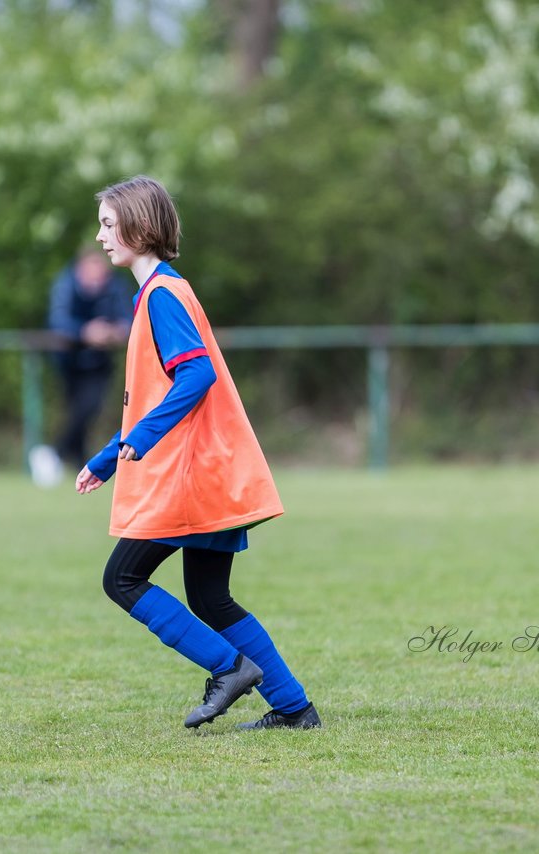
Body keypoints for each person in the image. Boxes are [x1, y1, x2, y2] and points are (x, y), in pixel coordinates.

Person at [75, 176, 321, 730]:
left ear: (140, 226)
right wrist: (111, 455)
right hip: (208, 472)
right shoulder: (159, 291)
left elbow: (196, 376)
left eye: (109, 225)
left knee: (123, 581)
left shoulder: (162, 295)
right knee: (211, 598)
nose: (101, 236)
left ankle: (228, 668)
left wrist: (136, 441)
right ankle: (294, 709)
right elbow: (160, 395)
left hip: (187, 476)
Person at [29, 249, 131, 486]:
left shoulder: (115, 285)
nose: (97, 279)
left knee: (89, 408)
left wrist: (113, 332)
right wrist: (85, 332)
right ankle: (66, 459)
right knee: (78, 412)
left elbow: (129, 318)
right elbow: (58, 321)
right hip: (69, 361)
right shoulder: (65, 284)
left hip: (100, 361)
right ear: (80, 270)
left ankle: (57, 456)